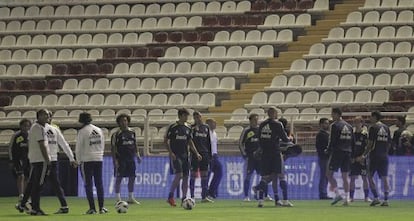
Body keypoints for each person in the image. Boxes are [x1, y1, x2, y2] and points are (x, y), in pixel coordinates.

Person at [253, 107, 292, 207]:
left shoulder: (262, 125)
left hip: (265, 154)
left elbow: (259, 140)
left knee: (265, 177)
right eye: (276, 113)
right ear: (274, 113)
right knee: (281, 176)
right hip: (275, 152)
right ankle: (285, 200)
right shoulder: (277, 124)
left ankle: (261, 201)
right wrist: (290, 138)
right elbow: (284, 138)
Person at [165, 108, 202, 207]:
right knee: (179, 175)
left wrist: (196, 153)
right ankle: (170, 197)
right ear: (180, 116)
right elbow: (166, 140)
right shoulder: (173, 127)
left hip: (185, 155)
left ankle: (184, 198)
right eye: (185, 115)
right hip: (176, 155)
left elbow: (190, 142)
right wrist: (170, 152)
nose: (187, 117)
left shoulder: (188, 128)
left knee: (186, 177)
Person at [44, 111, 76, 214]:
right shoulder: (38, 128)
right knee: (40, 183)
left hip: (49, 159)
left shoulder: (54, 128)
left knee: (38, 183)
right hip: (44, 159)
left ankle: (27, 204)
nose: (48, 118)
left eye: (49, 116)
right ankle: (27, 203)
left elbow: (64, 144)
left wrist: (71, 158)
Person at [20, 109, 51, 215]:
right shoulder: (39, 128)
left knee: (32, 183)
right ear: (40, 116)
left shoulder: (33, 127)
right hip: (41, 160)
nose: (48, 117)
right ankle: (36, 208)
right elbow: (42, 145)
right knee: (38, 185)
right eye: (45, 115)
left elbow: (29, 143)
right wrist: (48, 160)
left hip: (34, 159)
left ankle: (23, 203)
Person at [357, 111, 391, 206]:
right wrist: (385, 153)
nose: (370, 118)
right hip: (384, 156)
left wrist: (363, 155)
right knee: (385, 178)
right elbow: (389, 143)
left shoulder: (373, 128)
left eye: (371, 117)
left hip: (375, 155)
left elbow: (370, 144)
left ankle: (376, 197)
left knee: (369, 176)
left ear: (375, 117)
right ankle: (386, 200)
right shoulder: (386, 128)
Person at [75, 112, 107, 214]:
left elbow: (78, 148)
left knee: (88, 184)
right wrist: (100, 155)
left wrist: (78, 161)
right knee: (99, 183)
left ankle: (92, 208)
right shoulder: (98, 130)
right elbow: (102, 144)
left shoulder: (82, 132)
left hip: (86, 160)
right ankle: (102, 208)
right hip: (98, 159)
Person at [111, 114, 142, 204]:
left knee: (132, 177)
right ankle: (118, 198)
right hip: (121, 159)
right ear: (119, 123)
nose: (124, 122)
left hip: (131, 159)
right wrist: (115, 161)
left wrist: (138, 155)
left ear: (128, 121)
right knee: (119, 178)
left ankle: (131, 197)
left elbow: (135, 144)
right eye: (122, 121)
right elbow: (113, 148)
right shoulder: (116, 134)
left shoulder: (132, 132)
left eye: (125, 120)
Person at [326, 108, 354, 206]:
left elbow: (332, 140)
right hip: (348, 152)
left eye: (333, 114)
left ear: (337, 114)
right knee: (345, 176)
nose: (332, 116)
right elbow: (352, 141)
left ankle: (338, 194)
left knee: (329, 174)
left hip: (338, 152)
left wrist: (328, 150)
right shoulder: (349, 126)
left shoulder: (335, 125)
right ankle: (346, 198)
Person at [189, 112, 213, 202]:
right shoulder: (191, 128)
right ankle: (192, 196)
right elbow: (190, 142)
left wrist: (210, 154)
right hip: (194, 154)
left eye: (198, 117)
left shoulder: (206, 128)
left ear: (201, 117)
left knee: (204, 175)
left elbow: (208, 142)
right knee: (193, 174)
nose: (197, 119)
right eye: (195, 117)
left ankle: (204, 196)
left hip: (205, 153)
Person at [8, 119, 31, 203]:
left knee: (27, 178)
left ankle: (25, 195)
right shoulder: (16, 135)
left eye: (28, 126)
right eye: (24, 125)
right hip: (17, 159)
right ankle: (21, 194)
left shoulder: (30, 135)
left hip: (28, 159)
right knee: (21, 176)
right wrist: (11, 160)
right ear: (21, 126)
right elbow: (10, 148)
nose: (26, 127)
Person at [349, 116, 370, 202]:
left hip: (362, 160)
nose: (356, 124)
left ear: (362, 123)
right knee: (352, 178)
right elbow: (349, 147)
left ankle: (366, 197)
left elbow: (368, 147)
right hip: (353, 159)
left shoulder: (365, 134)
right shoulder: (351, 134)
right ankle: (351, 197)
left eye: (358, 122)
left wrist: (363, 157)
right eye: (355, 122)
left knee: (365, 178)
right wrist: (351, 158)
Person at [206, 118, 223, 199]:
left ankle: (212, 191)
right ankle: (206, 193)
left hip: (215, 155)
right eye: (213, 123)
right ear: (208, 124)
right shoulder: (206, 133)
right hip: (209, 156)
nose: (215, 124)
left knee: (219, 172)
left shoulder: (215, 133)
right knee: (207, 175)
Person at [315, 118, 330, 200]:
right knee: (324, 175)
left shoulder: (327, 134)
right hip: (323, 157)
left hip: (327, 157)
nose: (326, 125)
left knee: (326, 175)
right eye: (325, 123)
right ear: (321, 124)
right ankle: (322, 193)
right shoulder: (321, 134)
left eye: (327, 123)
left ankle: (324, 192)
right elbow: (319, 147)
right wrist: (324, 152)